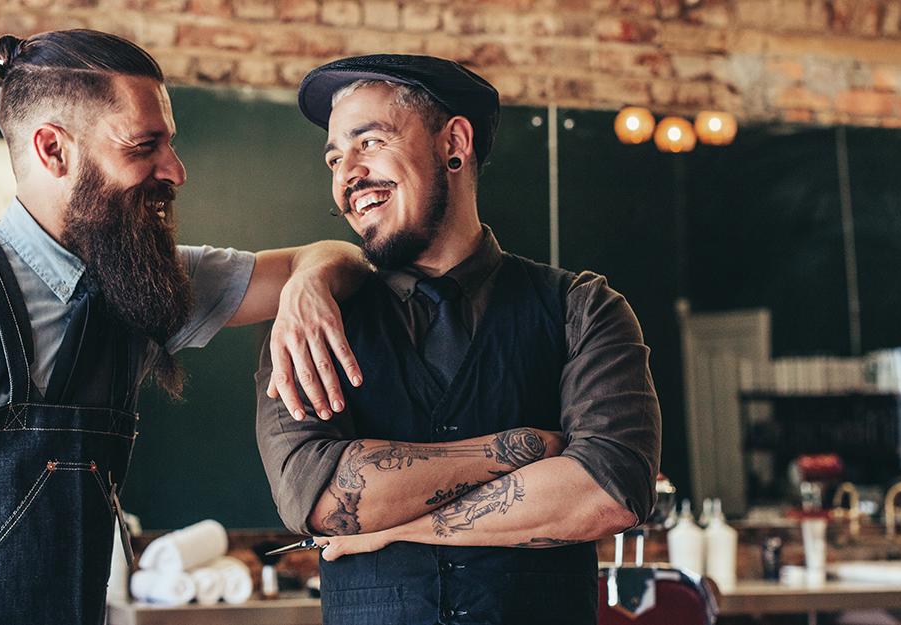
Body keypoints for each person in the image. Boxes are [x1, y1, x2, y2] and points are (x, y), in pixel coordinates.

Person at [0, 30, 369, 625]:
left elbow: (333, 254)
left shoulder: (148, 282)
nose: (177, 171)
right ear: (53, 149)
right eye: (144, 146)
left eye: (172, 145)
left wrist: (307, 289)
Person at [256, 54, 662, 625]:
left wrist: (396, 528)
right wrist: (528, 449)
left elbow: (610, 489)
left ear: (454, 143)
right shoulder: (308, 327)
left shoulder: (584, 309)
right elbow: (320, 499)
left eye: (368, 142)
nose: (346, 175)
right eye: (333, 158)